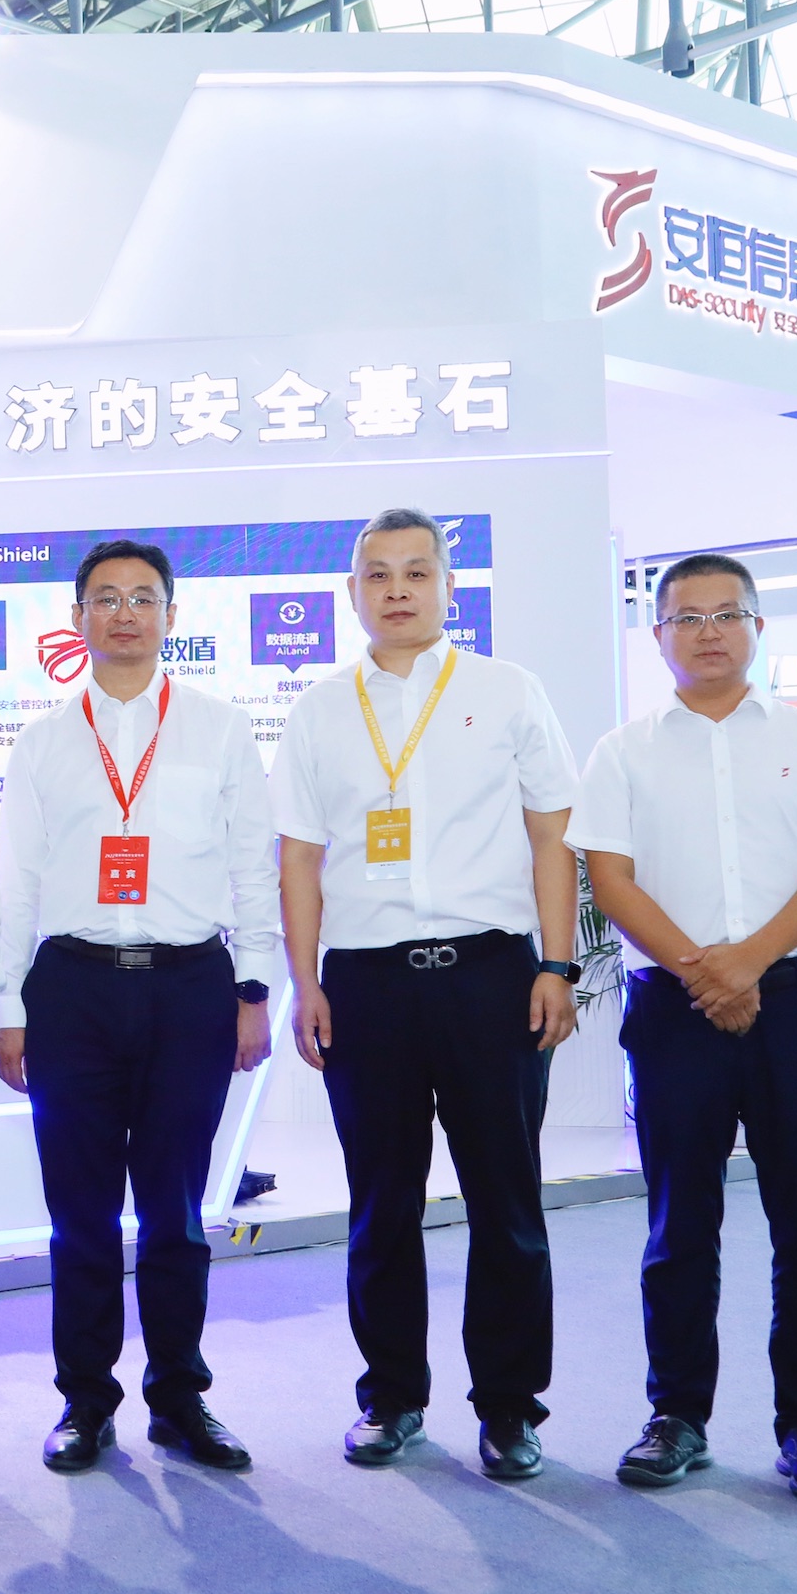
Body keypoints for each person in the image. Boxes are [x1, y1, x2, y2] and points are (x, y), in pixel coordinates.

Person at [571, 553, 797, 1502]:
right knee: (679, 1225)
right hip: (675, 1008)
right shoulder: (623, 751)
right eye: (687, 617)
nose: (707, 631)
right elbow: (611, 880)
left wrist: (744, 964)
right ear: (658, 634)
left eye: (726, 614)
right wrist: (704, 972)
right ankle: (677, 1417)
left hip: (795, 1003)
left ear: (755, 626)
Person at [275, 507, 580, 1479]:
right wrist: (305, 983)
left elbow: (552, 836)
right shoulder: (320, 709)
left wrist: (557, 965)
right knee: (382, 1205)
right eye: (378, 574)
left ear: (449, 586)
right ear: (353, 592)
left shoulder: (506, 689)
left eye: (416, 572)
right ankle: (392, 1397)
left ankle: (509, 1408)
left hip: (491, 978)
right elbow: (299, 858)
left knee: (506, 1202)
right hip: (366, 987)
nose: (397, 589)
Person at [0, 540, 279, 1477]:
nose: (125, 614)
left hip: (188, 989)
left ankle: (179, 1396)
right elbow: (16, 882)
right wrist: (6, 1007)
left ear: (171, 616)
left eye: (143, 598)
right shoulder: (42, 740)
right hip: (71, 990)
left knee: (175, 1212)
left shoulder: (219, 729)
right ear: (77, 616)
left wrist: (252, 990)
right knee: (79, 1215)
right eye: (106, 598)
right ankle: (85, 1400)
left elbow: (252, 868)